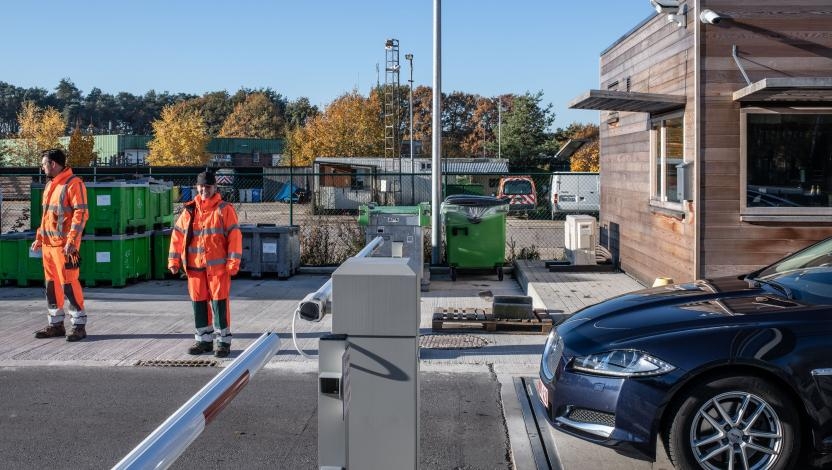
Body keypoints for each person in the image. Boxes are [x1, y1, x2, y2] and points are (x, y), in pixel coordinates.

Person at [168, 170, 242, 358]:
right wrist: (173, 260)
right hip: (194, 268)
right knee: (199, 304)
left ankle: (223, 342)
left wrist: (233, 262)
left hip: (218, 269)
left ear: (215, 188)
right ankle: (203, 341)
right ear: (197, 187)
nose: (204, 190)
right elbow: (177, 235)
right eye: (201, 186)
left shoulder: (225, 209)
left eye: (207, 187)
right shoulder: (190, 210)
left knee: (219, 304)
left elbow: (234, 237)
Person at [31, 148, 89, 341]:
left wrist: (72, 241)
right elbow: (46, 217)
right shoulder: (50, 186)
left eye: (44, 164)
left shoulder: (74, 184)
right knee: (51, 285)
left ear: (53, 164)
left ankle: (79, 326)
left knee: (69, 284)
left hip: (65, 247)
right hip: (49, 246)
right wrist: (39, 238)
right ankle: (55, 325)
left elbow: (81, 215)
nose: (42, 167)